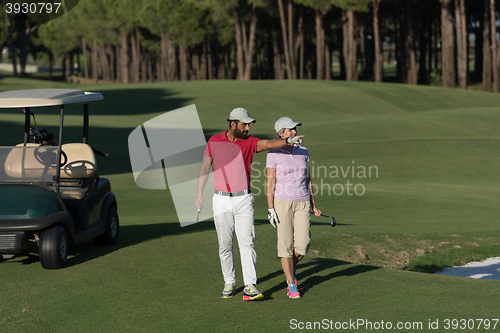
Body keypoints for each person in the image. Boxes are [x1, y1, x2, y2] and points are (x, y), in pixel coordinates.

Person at [195, 108, 304, 301]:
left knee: (247, 243)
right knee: (224, 245)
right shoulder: (214, 141)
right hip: (220, 199)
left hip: (244, 199)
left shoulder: (250, 142)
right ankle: (229, 283)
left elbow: (269, 143)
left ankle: (250, 286)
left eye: (248, 125)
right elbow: (205, 166)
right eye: (244, 124)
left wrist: (288, 141)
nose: (247, 128)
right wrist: (199, 194)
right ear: (233, 124)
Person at [266, 117, 321, 299]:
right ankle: (291, 284)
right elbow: (270, 182)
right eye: (290, 130)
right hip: (282, 202)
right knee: (285, 246)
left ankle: (290, 269)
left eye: (295, 129)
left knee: (303, 245)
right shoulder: (273, 153)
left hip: (303, 201)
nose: (294, 132)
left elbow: (308, 179)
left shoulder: (303, 151)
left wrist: (313, 203)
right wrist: (270, 208)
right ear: (281, 133)